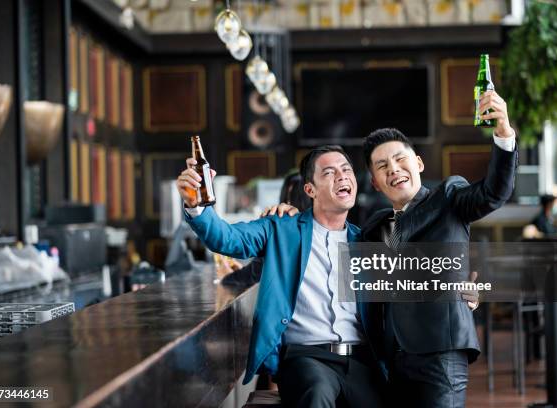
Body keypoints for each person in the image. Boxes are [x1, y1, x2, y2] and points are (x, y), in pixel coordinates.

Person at [177, 146, 385, 407]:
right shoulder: (280, 228)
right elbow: (227, 239)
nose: (342, 176)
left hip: (361, 361)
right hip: (306, 358)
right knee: (317, 393)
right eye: (330, 172)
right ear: (310, 190)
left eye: (346, 170)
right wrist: (197, 206)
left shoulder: (364, 242)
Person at [360, 90, 517, 407]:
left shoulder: (450, 196)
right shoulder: (374, 226)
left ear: (417, 163)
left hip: (441, 352)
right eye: (382, 165)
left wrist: (503, 132)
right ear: (375, 182)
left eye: (400, 158)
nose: (393, 168)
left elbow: (493, 193)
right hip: (392, 357)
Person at [218, 172, 311, 288]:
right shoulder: (320, 231)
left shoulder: (282, 231)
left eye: (290, 199)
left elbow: (253, 275)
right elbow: (257, 271)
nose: (287, 205)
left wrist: (226, 277)